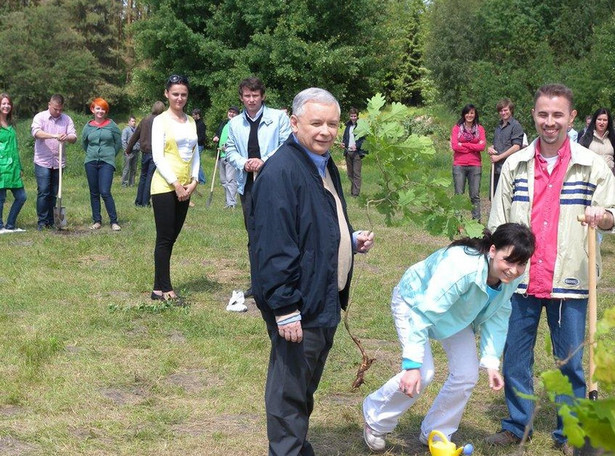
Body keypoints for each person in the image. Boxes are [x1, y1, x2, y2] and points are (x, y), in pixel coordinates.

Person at [485, 84, 615, 455]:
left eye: (558, 115)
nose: (550, 122)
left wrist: (602, 216)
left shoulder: (594, 166)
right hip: (520, 280)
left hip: (570, 278)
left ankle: (570, 432)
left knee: (571, 362)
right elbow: (498, 222)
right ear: (534, 115)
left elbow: (612, 214)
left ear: (572, 118)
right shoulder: (515, 164)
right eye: (543, 114)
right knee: (515, 356)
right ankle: (516, 424)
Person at [249, 87, 374, 456]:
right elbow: (273, 248)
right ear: (294, 122)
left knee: (304, 383)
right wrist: (286, 308)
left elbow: (313, 225)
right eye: (316, 123)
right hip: (298, 302)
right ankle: (287, 450)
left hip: (323, 296)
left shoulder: (321, 163)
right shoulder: (282, 172)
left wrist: (348, 241)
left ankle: (295, 445)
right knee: (289, 387)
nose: (325, 131)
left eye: (332, 124)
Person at [363, 223, 536, 452]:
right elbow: (424, 312)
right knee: (423, 373)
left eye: (521, 263)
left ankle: (437, 431)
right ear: (493, 250)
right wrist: (412, 365)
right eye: (509, 260)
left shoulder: (509, 278)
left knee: (467, 374)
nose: (514, 270)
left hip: (456, 313)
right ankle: (376, 419)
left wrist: (492, 363)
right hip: (415, 303)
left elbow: (498, 315)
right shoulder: (461, 267)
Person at [225, 77, 292, 296]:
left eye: (255, 95)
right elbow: (230, 150)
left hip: (274, 184)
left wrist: (265, 161)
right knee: (253, 235)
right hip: (248, 185)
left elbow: (286, 145)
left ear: (262, 96)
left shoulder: (279, 118)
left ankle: (280, 282)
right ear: (241, 97)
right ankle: (257, 284)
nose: (251, 99)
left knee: (279, 232)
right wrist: (244, 162)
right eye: (247, 95)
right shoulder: (234, 124)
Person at [150, 75, 199, 303]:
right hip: (164, 186)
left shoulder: (190, 120)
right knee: (165, 238)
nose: (179, 98)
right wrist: (176, 184)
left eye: (183, 94)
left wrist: (195, 180)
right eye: (175, 94)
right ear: (166, 94)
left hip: (185, 186)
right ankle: (167, 289)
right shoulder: (160, 121)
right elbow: (158, 156)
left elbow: (196, 152)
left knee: (171, 238)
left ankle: (157, 289)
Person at [31, 94, 77, 230]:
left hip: (58, 162)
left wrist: (66, 137)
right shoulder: (40, 117)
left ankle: (51, 221)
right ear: (49, 105)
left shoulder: (67, 119)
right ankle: (42, 221)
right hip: (42, 161)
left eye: (60, 109)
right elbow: (36, 133)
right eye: (55, 109)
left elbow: (74, 137)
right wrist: (53, 136)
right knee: (44, 190)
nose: (58, 112)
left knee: (54, 192)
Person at [81, 98, 122, 231]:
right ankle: (97, 220)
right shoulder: (88, 127)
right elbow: (84, 144)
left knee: (105, 191)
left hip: (107, 162)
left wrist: (110, 155)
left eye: (103, 109)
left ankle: (114, 221)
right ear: (93, 109)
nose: (100, 111)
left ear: (106, 111)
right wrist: (91, 154)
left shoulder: (112, 125)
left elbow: (118, 143)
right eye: (98, 108)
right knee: (94, 192)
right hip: (91, 161)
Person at [450, 104, 486, 220]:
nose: (469, 115)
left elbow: (482, 147)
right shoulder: (456, 128)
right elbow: (455, 146)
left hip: (475, 165)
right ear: (463, 114)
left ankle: (476, 222)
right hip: (459, 165)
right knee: (458, 195)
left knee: (475, 195)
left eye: (472, 113)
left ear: (475, 115)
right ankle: (457, 222)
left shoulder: (480, 129)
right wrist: (474, 145)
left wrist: (464, 144)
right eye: (467, 113)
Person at [127, 101, 166, 207]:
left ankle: (138, 201)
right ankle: (145, 202)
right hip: (155, 153)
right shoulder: (162, 121)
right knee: (150, 177)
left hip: (144, 152)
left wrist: (128, 149)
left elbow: (135, 135)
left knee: (143, 176)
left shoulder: (145, 119)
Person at [0, 93, 27, 232]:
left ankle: (10, 225)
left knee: (21, 196)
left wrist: (19, 167)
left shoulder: (10, 123)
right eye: (3, 103)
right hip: (1, 167)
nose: (6, 106)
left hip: (13, 167)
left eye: (8, 103)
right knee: (1, 198)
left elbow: (13, 148)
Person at [487, 98, 524, 194]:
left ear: (511, 110)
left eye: (505, 110)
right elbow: (499, 144)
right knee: (494, 198)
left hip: (508, 168)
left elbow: (516, 147)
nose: (503, 113)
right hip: (496, 168)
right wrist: (491, 148)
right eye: (501, 111)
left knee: (506, 199)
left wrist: (498, 157)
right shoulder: (498, 126)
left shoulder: (516, 126)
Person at [212, 106, 240, 209]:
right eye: (230, 112)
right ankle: (227, 202)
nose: (231, 114)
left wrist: (227, 147)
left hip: (230, 156)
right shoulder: (224, 123)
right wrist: (216, 137)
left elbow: (238, 140)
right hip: (221, 155)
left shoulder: (237, 125)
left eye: (234, 113)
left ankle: (232, 203)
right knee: (224, 181)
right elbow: (219, 134)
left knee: (230, 180)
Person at [579, 108, 615, 172]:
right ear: (595, 121)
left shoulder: (612, 138)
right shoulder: (586, 138)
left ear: (608, 122)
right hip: (591, 178)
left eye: (605, 120)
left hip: (610, 178)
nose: (602, 122)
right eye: (599, 119)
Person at [341, 107, 367, 197]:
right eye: (351, 116)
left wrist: (357, 146)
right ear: (349, 116)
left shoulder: (361, 126)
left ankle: (355, 193)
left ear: (357, 116)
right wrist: (343, 143)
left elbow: (364, 139)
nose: (353, 118)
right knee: (350, 173)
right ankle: (352, 191)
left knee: (356, 173)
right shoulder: (348, 126)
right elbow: (345, 137)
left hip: (357, 153)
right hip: (348, 152)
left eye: (354, 116)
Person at [121, 116, 139, 187]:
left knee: (134, 169)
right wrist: (126, 150)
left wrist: (139, 147)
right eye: (132, 121)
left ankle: (132, 183)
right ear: (128, 122)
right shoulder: (126, 130)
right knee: (127, 168)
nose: (134, 123)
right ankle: (124, 184)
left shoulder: (137, 130)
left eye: (134, 121)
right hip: (128, 152)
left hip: (136, 151)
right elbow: (123, 141)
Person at [192, 108, 207, 185]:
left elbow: (202, 137)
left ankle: (202, 180)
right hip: (194, 144)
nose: (193, 116)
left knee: (197, 162)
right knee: (194, 162)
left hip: (199, 145)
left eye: (194, 115)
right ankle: (195, 177)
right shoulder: (194, 123)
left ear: (198, 115)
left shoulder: (201, 124)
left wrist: (196, 141)